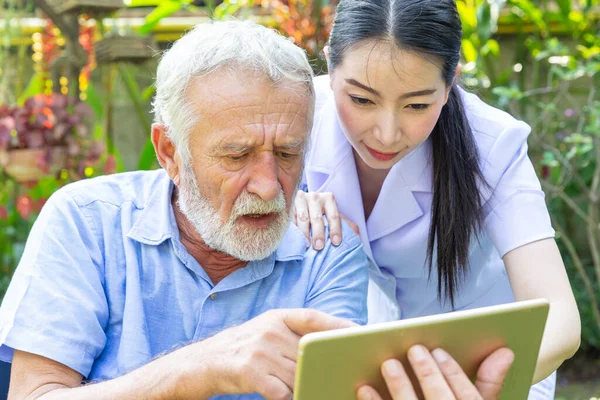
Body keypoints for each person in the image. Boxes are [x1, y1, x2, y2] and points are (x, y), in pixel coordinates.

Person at [0, 21, 513, 400]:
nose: (269, 186)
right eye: (237, 155)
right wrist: (201, 366)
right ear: (169, 153)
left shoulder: (327, 251)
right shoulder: (86, 221)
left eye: (288, 154)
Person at [293, 0, 581, 398]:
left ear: (449, 86)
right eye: (361, 99)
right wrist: (282, 210)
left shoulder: (493, 144)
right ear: (329, 65)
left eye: (417, 105)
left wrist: (479, 384)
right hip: (371, 369)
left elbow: (561, 322)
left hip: (485, 372)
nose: (387, 134)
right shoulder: (298, 113)